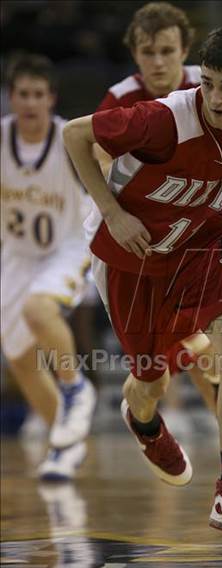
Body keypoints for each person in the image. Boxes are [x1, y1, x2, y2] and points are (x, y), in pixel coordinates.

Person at [63, 26, 222, 537]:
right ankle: (142, 421)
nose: (214, 97)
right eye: (207, 83)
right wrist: (112, 211)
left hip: (202, 247)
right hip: (130, 257)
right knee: (151, 383)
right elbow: (75, 134)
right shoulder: (163, 119)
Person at [0, 53, 96, 480]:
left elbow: (111, 173)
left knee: (39, 311)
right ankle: (67, 444)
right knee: (19, 359)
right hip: (18, 253)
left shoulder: (71, 138)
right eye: (23, 94)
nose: (31, 103)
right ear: (11, 97)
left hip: (69, 246)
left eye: (39, 94)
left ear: (52, 99)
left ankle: (75, 388)